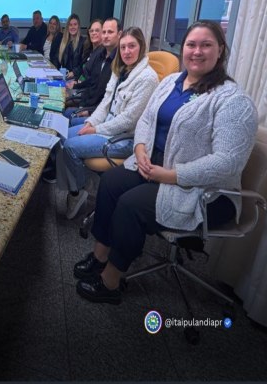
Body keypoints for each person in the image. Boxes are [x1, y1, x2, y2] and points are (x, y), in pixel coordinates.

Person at [73, 21, 258, 304]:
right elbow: (146, 120)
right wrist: (140, 148)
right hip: (154, 166)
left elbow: (227, 163)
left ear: (220, 50)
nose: (197, 51)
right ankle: (100, 256)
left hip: (204, 191)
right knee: (110, 183)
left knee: (130, 205)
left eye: (206, 45)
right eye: (191, 45)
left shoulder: (233, 100)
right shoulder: (171, 82)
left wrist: (170, 175)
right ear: (183, 49)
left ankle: (111, 281)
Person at [57, 27, 159, 219]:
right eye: (123, 47)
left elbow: (128, 120)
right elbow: (105, 102)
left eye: (132, 46)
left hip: (124, 138)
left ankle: (78, 192)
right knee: (61, 135)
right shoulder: (120, 69)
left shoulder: (148, 78)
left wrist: (97, 129)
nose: (126, 51)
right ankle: (81, 184)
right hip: (107, 125)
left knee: (69, 146)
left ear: (141, 47)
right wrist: (91, 122)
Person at [64, 18, 122, 121]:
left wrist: (89, 111)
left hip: (99, 113)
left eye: (110, 32)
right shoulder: (100, 55)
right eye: (104, 32)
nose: (106, 35)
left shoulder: (118, 61)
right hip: (89, 103)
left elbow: (107, 98)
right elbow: (91, 82)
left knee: (69, 116)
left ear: (119, 34)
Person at [58, 13, 86, 79]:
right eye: (70, 25)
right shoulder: (64, 42)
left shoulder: (83, 42)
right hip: (65, 76)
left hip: (76, 78)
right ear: (68, 27)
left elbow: (84, 64)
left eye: (75, 24)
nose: (73, 27)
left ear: (78, 26)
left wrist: (73, 72)